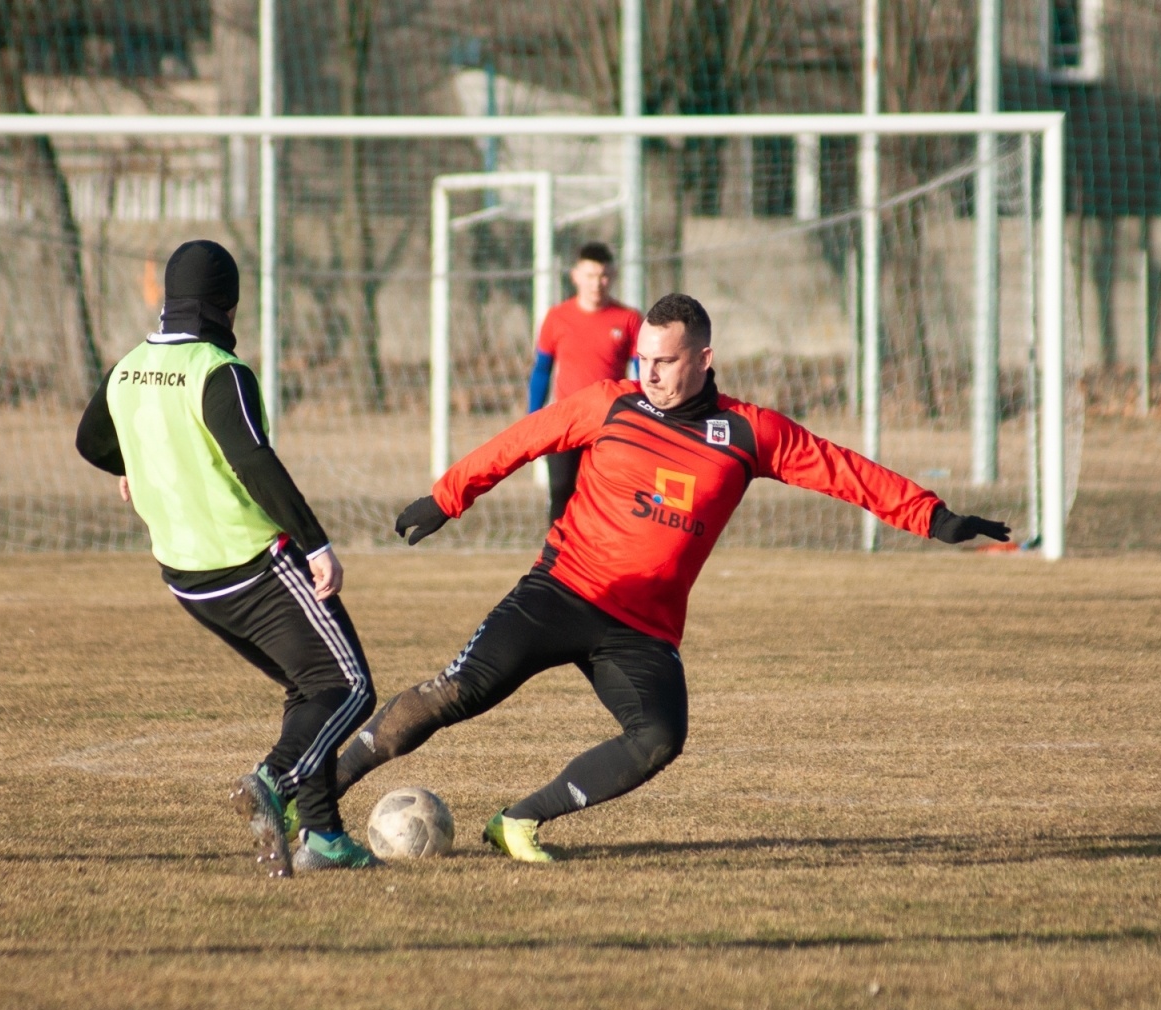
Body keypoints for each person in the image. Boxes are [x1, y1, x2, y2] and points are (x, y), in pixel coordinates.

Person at [332, 292, 1009, 862]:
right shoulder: (609, 403)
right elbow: (523, 440)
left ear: (703, 359)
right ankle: (318, 790)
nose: (649, 371)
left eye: (665, 360)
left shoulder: (748, 433)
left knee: (659, 738)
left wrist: (934, 516)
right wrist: (447, 497)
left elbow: (844, 469)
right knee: (453, 695)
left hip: (641, 629)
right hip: (561, 590)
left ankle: (518, 821)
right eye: (643, 359)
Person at [75, 239, 378, 876]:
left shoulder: (128, 368)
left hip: (188, 577)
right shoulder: (218, 370)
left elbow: (90, 440)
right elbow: (254, 461)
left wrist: (130, 466)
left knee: (310, 686)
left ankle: (323, 837)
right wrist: (317, 543)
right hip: (255, 562)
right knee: (348, 687)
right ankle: (273, 781)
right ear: (226, 306)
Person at [528, 241, 645, 522]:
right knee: (560, 489)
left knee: (605, 492)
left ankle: (601, 558)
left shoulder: (628, 319)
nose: (597, 283)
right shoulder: (557, 318)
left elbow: (642, 371)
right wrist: (533, 416)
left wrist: (644, 413)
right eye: (591, 275)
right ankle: (554, 555)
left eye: (603, 275)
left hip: (610, 422)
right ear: (576, 276)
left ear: (612, 276)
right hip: (566, 421)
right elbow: (542, 370)